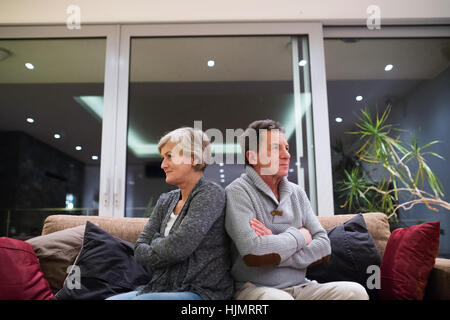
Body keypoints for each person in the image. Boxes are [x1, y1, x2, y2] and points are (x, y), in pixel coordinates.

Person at [225, 119, 369, 300]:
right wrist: (301, 236)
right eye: (276, 148)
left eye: (287, 148)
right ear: (253, 157)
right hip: (255, 289)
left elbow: (324, 246)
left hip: (302, 286)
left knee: (355, 292)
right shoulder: (237, 192)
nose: (286, 155)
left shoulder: (297, 192)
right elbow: (254, 252)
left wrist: (276, 249)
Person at [107, 127, 234, 300]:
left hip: (202, 291)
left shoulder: (211, 194)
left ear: (193, 158)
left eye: (169, 156)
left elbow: (179, 249)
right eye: (162, 158)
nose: (163, 165)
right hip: (160, 288)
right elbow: (139, 250)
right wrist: (169, 242)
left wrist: (158, 239)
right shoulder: (166, 199)